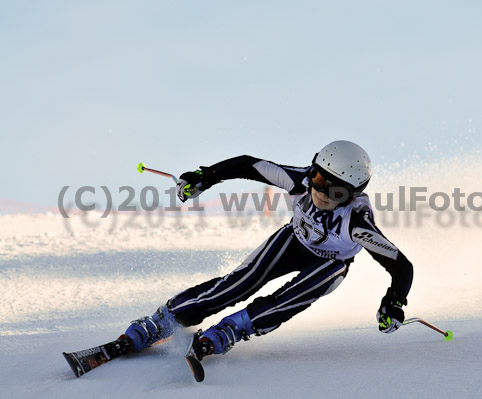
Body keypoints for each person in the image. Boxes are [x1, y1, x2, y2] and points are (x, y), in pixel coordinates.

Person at [121, 140, 413, 372]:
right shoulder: (300, 181)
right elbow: (249, 165)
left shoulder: (356, 223)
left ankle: (231, 330)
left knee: (287, 299)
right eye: (320, 178)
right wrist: (204, 177)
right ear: (312, 170)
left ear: (352, 195)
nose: (322, 193)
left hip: (329, 263)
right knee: (240, 283)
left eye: (335, 192)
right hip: (293, 239)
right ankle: (164, 321)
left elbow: (401, 266)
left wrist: (394, 301)